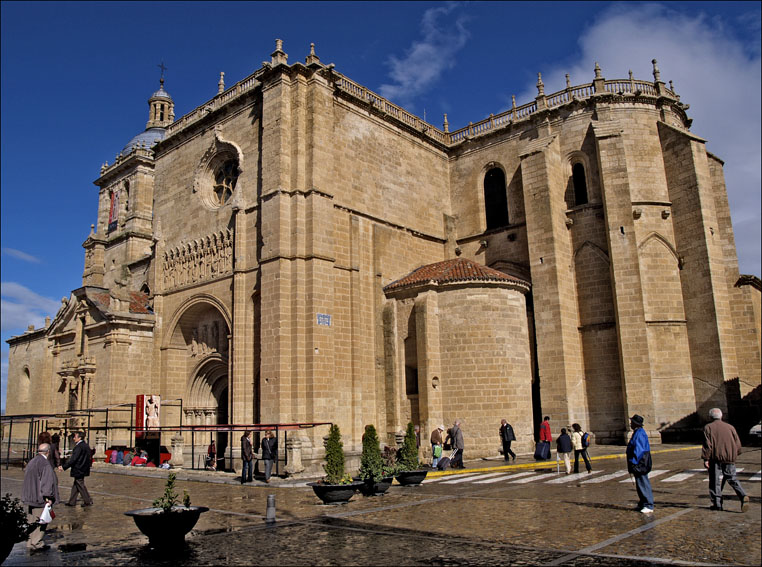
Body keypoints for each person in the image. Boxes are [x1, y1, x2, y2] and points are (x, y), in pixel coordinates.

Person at [702, 407, 749, 512]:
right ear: (721, 416)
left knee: (715, 480)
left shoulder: (708, 427)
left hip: (715, 458)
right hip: (729, 457)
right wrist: (735, 454)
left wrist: (706, 458)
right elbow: (737, 443)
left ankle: (717, 504)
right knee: (732, 478)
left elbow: (707, 445)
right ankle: (743, 495)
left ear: (710, 417)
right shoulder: (730, 427)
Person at [22, 443, 59, 551]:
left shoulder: (32, 461)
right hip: (39, 498)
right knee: (41, 520)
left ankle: (30, 541)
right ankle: (36, 542)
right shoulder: (45, 464)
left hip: (30, 496)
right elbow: (46, 483)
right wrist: (48, 498)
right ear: (48, 452)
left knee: (32, 520)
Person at [626, 414, 654, 514]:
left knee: (643, 482)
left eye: (632, 422)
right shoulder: (637, 432)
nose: (630, 424)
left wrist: (634, 462)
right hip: (638, 462)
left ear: (636, 423)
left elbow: (639, 449)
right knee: (639, 483)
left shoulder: (640, 433)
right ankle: (643, 503)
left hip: (640, 462)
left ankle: (648, 504)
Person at [59, 431, 93, 507]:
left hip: (79, 468)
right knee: (76, 485)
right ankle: (72, 501)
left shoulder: (79, 447)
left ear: (79, 438)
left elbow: (73, 459)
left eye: (75, 437)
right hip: (83, 468)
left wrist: (64, 467)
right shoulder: (86, 445)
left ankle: (88, 500)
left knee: (80, 485)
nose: (74, 438)